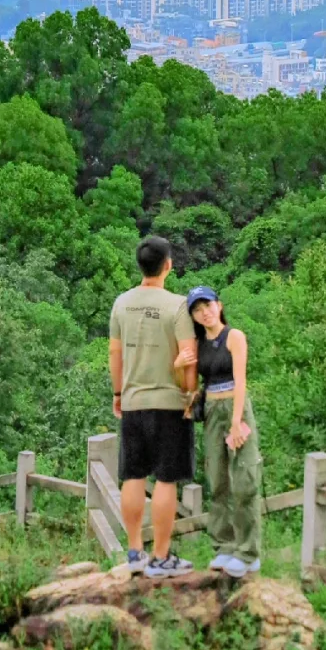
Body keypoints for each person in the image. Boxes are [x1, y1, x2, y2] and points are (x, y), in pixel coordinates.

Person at [109, 236, 199, 577]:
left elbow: (115, 354)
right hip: (169, 404)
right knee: (165, 478)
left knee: (132, 474)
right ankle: (160, 558)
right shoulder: (178, 306)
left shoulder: (121, 304)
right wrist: (190, 395)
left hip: (133, 402)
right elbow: (188, 359)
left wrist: (119, 393)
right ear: (168, 266)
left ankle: (135, 552)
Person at [186, 284, 262, 578]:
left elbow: (241, 380)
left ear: (219, 305)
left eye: (207, 305)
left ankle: (248, 552)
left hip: (235, 407)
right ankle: (224, 547)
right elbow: (191, 382)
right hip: (212, 412)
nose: (204, 312)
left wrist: (237, 421)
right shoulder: (199, 343)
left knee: (244, 479)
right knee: (217, 480)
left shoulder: (235, 336)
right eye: (197, 309)